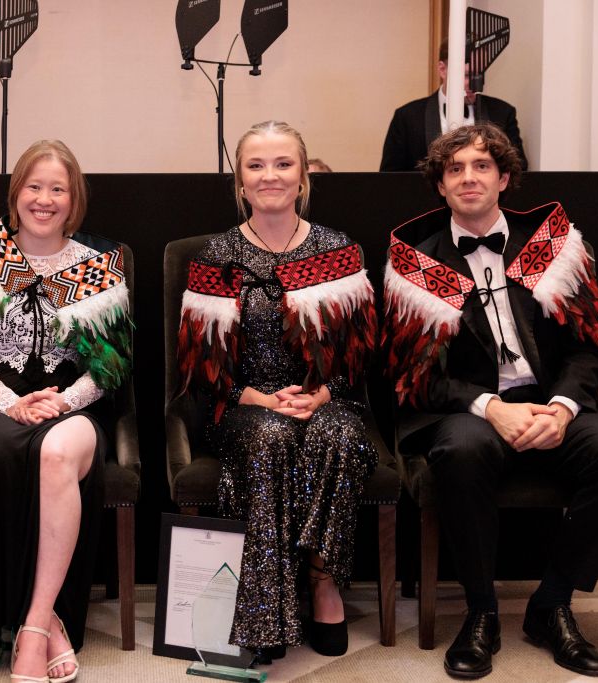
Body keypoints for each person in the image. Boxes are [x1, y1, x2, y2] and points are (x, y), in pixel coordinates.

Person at [383, 122, 598, 678]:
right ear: (440, 186)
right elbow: (413, 376)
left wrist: (562, 409)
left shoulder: (554, 245)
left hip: (552, 402)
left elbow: (590, 348)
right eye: (454, 169)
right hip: (469, 411)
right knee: (460, 453)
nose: (468, 178)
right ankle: (480, 612)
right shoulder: (415, 262)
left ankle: (550, 603)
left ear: (504, 178)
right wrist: (490, 407)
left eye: (481, 166)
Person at [0, 139, 131, 683]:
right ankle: (48, 626)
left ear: (74, 198)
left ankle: (32, 624)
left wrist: (62, 401)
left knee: (59, 452)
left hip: (73, 406)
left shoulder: (95, 267)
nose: (45, 199)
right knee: (0, 451)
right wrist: (12, 404)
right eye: (34, 187)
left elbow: (109, 368)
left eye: (57, 189)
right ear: (16, 193)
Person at [177, 120, 378, 660]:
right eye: (256, 165)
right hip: (244, 404)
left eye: (283, 164)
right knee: (270, 437)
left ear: (304, 176)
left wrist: (320, 395)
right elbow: (204, 369)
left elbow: (360, 354)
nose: (271, 175)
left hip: (325, 397)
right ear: (239, 180)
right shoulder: (214, 256)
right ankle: (266, 607)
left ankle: (321, 580)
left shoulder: (341, 249)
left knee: (335, 436)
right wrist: (262, 399)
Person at [380, 38, 528, 172]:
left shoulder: (503, 113)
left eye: (480, 75)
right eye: (466, 75)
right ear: (442, 70)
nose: (475, 84)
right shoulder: (407, 117)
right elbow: (390, 178)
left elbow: (518, 170)